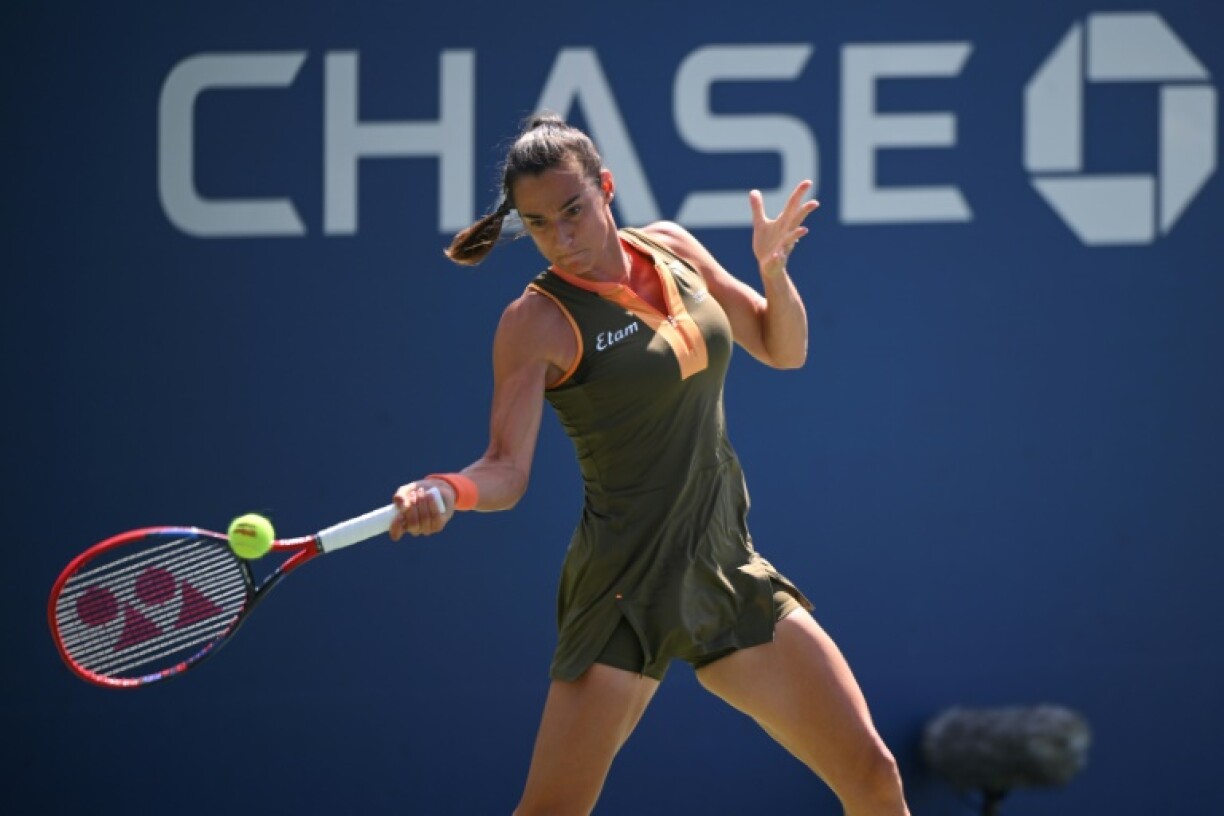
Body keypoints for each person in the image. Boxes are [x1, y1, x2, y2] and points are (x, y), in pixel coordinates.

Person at [388, 113, 910, 816]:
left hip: (723, 566)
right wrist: (444, 490)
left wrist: (774, 273)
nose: (563, 238)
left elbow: (781, 347)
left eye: (574, 210)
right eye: (541, 224)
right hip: (623, 590)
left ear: (606, 187)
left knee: (873, 777)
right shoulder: (534, 322)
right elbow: (505, 472)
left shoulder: (671, 247)